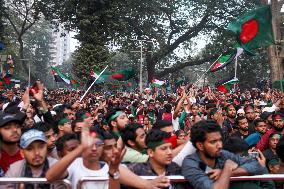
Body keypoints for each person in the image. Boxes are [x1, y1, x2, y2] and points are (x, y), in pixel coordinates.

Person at [182, 120, 266, 189]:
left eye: (220, 140)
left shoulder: (223, 154)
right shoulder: (190, 163)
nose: (220, 145)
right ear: (200, 145)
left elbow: (258, 166)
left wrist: (227, 172)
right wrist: (227, 168)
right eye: (213, 142)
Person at [46, 120, 123, 189]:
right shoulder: (74, 164)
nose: (94, 148)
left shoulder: (108, 167)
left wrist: (113, 172)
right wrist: (82, 147)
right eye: (90, 144)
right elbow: (50, 176)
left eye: (98, 144)